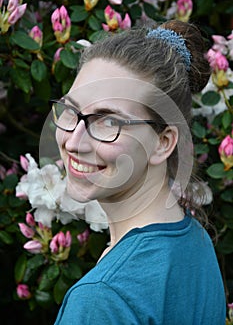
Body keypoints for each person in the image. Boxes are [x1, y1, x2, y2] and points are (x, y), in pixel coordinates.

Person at [52, 19, 226, 324]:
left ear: (163, 143)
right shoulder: (192, 239)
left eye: (109, 121)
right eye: (71, 110)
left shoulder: (102, 298)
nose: (73, 141)